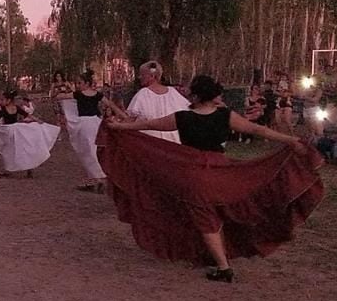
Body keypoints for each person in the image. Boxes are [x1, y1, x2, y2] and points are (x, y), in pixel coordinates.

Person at [102, 75, 322, 283]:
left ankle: (223, 267)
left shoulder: (183, 117)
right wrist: (290, 139)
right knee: (216, 214)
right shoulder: (224, 116)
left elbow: (147, 125)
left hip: (190, 174)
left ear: (195, 96)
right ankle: (215, 257)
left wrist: (120, 127)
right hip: (221, 172)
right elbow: (257, 129)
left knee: (206, 219)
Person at [58, 71, 118, 193]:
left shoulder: (79, 94)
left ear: (86, 83)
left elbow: (60, 97)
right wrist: (123, 115)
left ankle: (98, 178)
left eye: (80, 83)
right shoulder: (97, 94)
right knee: (93, 149)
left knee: (87, 151)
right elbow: (111, 105)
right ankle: (94, 179)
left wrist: (64, 89)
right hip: (96, 122)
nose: (78, 85)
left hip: (85, 123)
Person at [0, 91, 59, 178]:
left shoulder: (4, 110)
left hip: (9, 130)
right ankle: (28, 170)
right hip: (17, 130)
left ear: (9, 100)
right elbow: (27, 115)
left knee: (8, 151)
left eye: (3, 99)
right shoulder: (16, 108)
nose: (1, 101)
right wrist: (37, 120)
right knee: (22, 149)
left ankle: (10, 170)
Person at [124, 61, 190, 143]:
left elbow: (130, 120)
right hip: (173, 145)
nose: (139, 77)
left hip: (150, 145)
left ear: (152, 76)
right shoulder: (175, 94)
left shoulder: (142, 94)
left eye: (142, 75)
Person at [49, 71, 74, 138]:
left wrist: (67, 92)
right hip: (56, 101)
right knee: (58, 118)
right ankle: (59, 133)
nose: (58, 78)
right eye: (57, 76)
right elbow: (51, 95)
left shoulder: (66, 83)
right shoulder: (54, 84)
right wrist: (56, 92)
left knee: (65, 117)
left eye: (59, 76)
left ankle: (69, 132)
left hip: (65, 102)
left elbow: (73, 90)